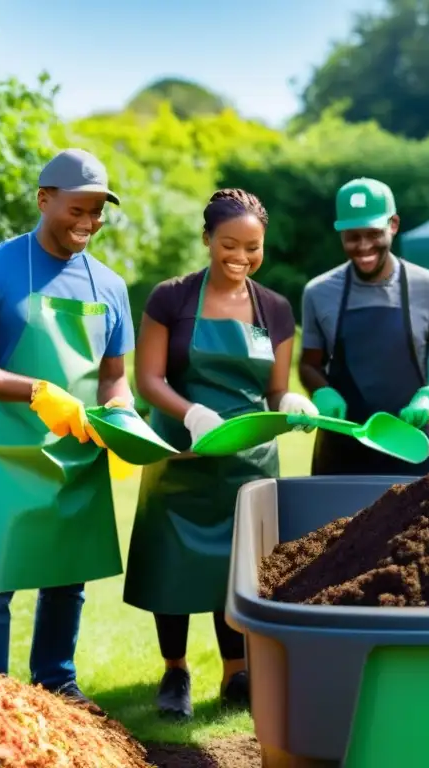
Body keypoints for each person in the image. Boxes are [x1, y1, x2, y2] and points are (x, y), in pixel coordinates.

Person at [0, 148, 136, 710]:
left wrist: (121, 415)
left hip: (77, 451)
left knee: (66, 579)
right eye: (78, 208)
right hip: (8, 453)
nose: (89, 223)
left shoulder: (110, 287)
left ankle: (56, 682)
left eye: (99, 212)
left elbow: (114, 378)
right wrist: (34, 390)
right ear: (44, 199)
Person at [123, 188, 316, 720]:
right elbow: (149, 378)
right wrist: (191, 414)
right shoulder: (172, 298)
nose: (241, 256)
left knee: (236, 569)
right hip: (181, 454)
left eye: (253, 247)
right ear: (208, 239)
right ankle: (175, 671)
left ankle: (236, 674)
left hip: (247, 463)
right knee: (172, 564)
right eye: (229, 244)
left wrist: (292, 401)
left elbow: (276, 391)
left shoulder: (274, 308)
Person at [298, 177, 429, 475]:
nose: (363, 246)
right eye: (352, 236)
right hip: (340, 450)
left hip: (409, 447)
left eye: (373, 233)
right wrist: (322, 390)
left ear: (394, 225)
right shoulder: (318, 292)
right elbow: (309, 364)